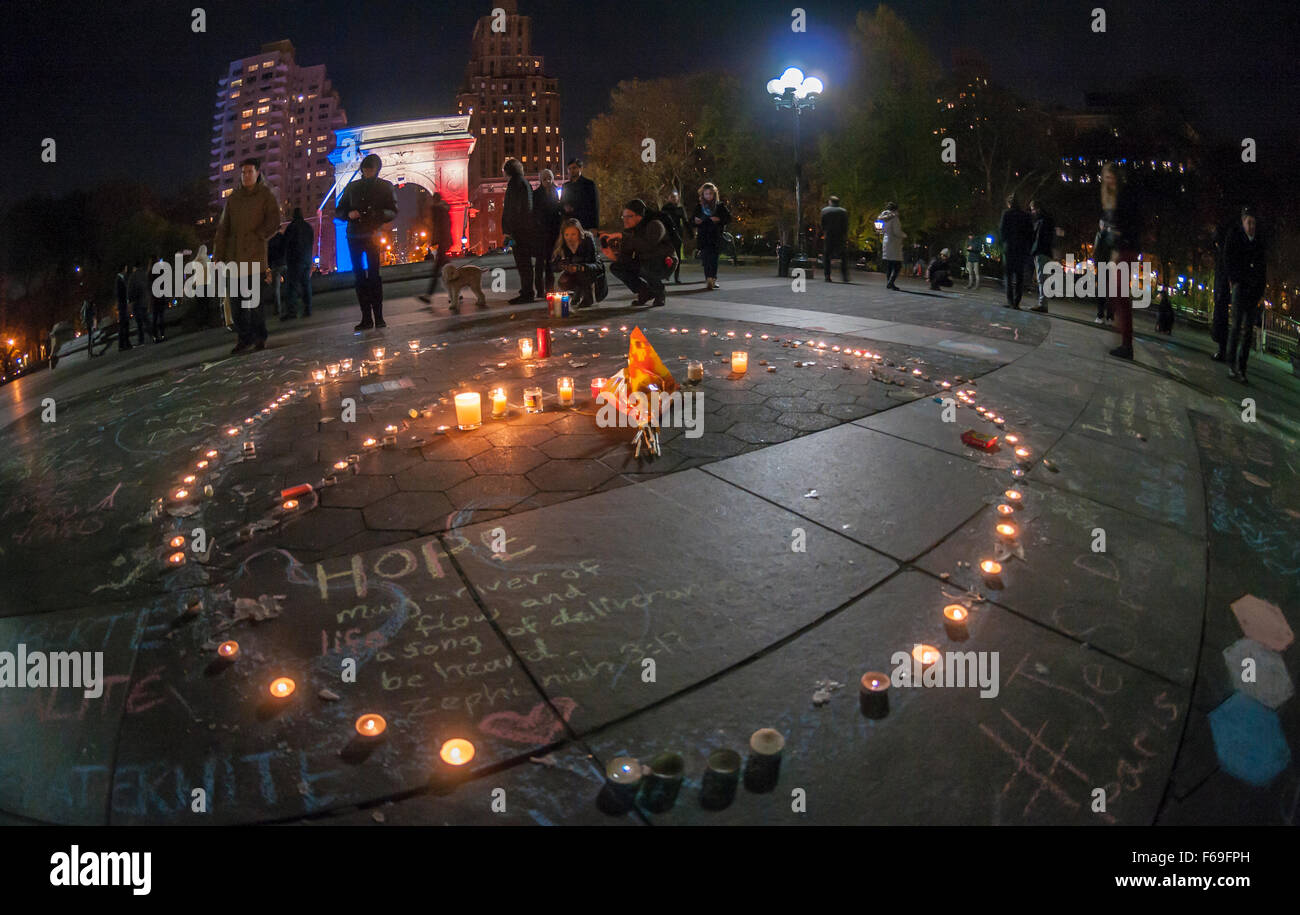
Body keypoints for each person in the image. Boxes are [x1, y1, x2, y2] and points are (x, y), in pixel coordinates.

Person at [214, 156, 281, 353]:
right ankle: (244, 338)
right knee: (236, 304)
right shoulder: (233, 199)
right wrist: (218, 254)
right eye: (243, 172)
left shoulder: (265, 195)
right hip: (233, 258)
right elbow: (223, 228)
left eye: (250, 172)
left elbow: (274, 220)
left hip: (254, 256)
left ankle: (260, 337)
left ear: (258, 173)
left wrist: (260, 234)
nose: (246, 175)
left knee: (255, 303)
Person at [337, 153, 397, 330]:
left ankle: (379, 317)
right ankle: (366, 318)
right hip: (354, 235)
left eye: (371, 168)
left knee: (374, 276)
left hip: (373, 235)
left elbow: (393, 210)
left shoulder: (385, 187)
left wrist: (376, 215)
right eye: (365, 167)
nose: (367, 171)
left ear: (377, 169)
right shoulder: (351, 187)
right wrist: (348, 214)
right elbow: (339, 210)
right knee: (359, 277)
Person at [1097, 162, 1143, 360]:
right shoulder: (1110, 199)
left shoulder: (1124, 197)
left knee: (1120, 296)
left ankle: (1126, 344)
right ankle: (1123, 338)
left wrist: (1117, 239)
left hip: (1125, 249)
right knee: (1116, 294)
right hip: (1119, 249)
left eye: (1112, 176)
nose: (1110, 180)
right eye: (1106, 177)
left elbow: (1130, 224)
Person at [1223, 206, 1267, 382]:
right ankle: (1232, 364)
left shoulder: (1259, 242)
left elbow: (1263, 267)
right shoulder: (1236, 236)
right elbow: (1228, 257)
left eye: (1253, 223)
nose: (1251, 226)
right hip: (1241, 285)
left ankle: (1242, 367)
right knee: (1236, 326)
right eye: (1249, 222)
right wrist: (1233, 279)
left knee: (1248, 330)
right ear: (1243, 222)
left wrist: (1260, 288)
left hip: (1253, 289)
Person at [605, 199, 676, 307]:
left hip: (663, 261)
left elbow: (647, 245)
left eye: (629, 216)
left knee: (646, 266)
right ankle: (644, 291)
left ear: (640, 216)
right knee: (616, 267)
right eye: (623, 217)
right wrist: (615, 256)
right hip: (644, 260)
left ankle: (659, 292)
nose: (625, 220)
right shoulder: (630, 231)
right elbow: (626, 255)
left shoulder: (655, 224)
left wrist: (625, 237)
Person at [501, 157, 538, 304]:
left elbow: (512, 209)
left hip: (519, 230)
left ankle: (527, 293)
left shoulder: (514, 184)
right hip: (526, 228)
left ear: (508, 170)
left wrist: (509, 231)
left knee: (523, 263)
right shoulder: (524, 183)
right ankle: (527, 291)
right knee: (526, 263)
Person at [552, 218, 601, 309]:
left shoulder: (587, 240)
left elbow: (595, 264)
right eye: (566, 235)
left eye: (573, 234)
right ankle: (577, 291)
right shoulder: (563, 244)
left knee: (581, 272)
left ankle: (587, 297)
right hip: (573, 272)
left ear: (579, 233)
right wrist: (562, 265)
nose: (569, 238)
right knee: (563, 282)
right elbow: (554, 266)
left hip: (588, 271)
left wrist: (580, 267)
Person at [692, 182, 731, 290]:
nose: (708, 196)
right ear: (702, 195)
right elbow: (691, 221)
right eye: (706, 194)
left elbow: (728, 219)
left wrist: (719, 219)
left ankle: (712, 279)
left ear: (714, 194)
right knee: (706, 259)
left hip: (715, 237)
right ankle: (708, 278)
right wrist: (696, 221)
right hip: (703, 237)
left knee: (713, 259)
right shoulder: (699, 207)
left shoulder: (720, 206)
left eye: (710, 194)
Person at [998, 195, 1033, 310]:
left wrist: (1004, 243)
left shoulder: (1006, 214)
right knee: (1019, 276)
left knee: (1008, 275)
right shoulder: (1026, 216)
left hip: (1009, 248)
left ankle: (1010, 300)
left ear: (1009, 204)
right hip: (1021, 249)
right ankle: (1017, 302)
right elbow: (1030, 233)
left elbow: (1002, 230)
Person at [418, 192, 453, 304]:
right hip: (444, 241)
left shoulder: (437, 210)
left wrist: (436, 240)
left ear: (434, 200)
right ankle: (455, 294)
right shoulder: (442, 210)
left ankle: (429, 295)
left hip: (443, 242)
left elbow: (439, 227)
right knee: (446, 269)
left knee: (439, 270)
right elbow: (446, 226)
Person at [532, 169, 563, 294]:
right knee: (539, 263)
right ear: (540, 180)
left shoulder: (557, 192)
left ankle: (549, 288)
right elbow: (534, 213)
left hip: (553, 232)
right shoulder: (536, 194)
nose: (548, 181)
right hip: (540, 233)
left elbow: (558, 211)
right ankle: (540, 290)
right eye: (545, 178)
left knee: (550, 262)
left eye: (549, 178)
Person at [282, 208, 314, 318]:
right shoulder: (308, 227)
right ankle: (308, 309)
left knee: (292, 287)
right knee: (306, 285)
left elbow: (285, 243)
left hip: (295, 260)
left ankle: (292, 311)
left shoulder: (291, 227)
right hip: (307, 259)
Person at [1028, 200, 1055, 313]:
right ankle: (1042, 303)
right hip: (1045, 252)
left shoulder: (1042, 222)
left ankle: (1042, 304)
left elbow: (1039, 239)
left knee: (1042, 278)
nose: (1032, 212)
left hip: (1041, 252)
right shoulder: (1046, 220)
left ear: (1037, 209)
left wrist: (1035, 250)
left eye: (1033, 209)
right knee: (1042, 278)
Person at [560, 157, 599, 232]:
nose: (571, 171)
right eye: (569, 169)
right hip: (570, 223)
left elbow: (594, 206)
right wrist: (564, 207)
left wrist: (594, 226)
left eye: (574, 168)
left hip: (585, 223)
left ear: (580, 168)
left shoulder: (589, 184)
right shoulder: (565, 186)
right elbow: (562, 202)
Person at [1210, 223, 1231, 361]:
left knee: (1220, 320)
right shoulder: (1223, 251)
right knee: (1221, 320)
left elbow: (1222, 273)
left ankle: (1222, 350)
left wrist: (1219, 291)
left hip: (1221, 291)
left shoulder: (1222, 252)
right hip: (1222, 291)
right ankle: (1222, 349)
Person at [661, 190, 689, 283]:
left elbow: (685, 221)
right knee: (666, 256)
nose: (673, 199)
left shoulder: (680, 209)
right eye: (672, 197)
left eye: (675, 197)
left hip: (677, 235)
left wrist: (690, 233)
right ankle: (666, 274)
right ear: (668, 198)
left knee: (677, 257)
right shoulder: (665, 209)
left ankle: (676, 276)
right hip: (667, 235)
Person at [820, 196, 850, 283]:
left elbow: (822, 223)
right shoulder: (843, 211)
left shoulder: (825, 211)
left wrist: (825, 231)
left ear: (830, 202)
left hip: (829, 235)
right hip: (840, 236)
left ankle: (827, 276)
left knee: (826, 256)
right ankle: (844, 276)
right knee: (843, 256)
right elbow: (845, 225)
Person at [877, 204, 905, 289]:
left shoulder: (881, 218)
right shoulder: (894, 218)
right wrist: (904, 235)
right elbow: (897, 232)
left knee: (889, 264)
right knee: (897, 265)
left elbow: (879, 231)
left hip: (886, 241)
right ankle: (891, 282)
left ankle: (889, 282)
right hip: (894, 243)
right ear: (895, 210)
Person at [126, 258, 150, 346]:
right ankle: (153, 334)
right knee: (146, 320)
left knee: (139, 323)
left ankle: (141, 340)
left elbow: (130, 290)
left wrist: (130, 300)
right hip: (145, 300)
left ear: (134, 267)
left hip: (137, 302)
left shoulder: (133, 276)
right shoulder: (144, 275)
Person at [267, 227, 288, 319]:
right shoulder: (283, 237)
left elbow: (268, 255)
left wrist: (270, 266)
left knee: (276, 290)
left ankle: (277, 309)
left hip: (275, 266)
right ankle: (290, 306)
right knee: (288, 286)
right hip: (284, 263)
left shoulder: (270, 240)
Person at [149, 255, 168, 341]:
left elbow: (149, 286)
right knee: (161, 317)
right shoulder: (160, 270)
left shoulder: (149, 273)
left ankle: (155, 336)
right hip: (160, 295)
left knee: (155, 318)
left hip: (154, 297)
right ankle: (162, 335)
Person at [115, 263, 132, 351]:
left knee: (124, 325)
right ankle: (123, 344)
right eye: (125, 268)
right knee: (124, 325)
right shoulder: (119, 280)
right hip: (122, 305)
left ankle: (124, 344)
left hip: (122, 305)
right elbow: (120, 294)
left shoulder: (120, 279)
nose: (126, 270)